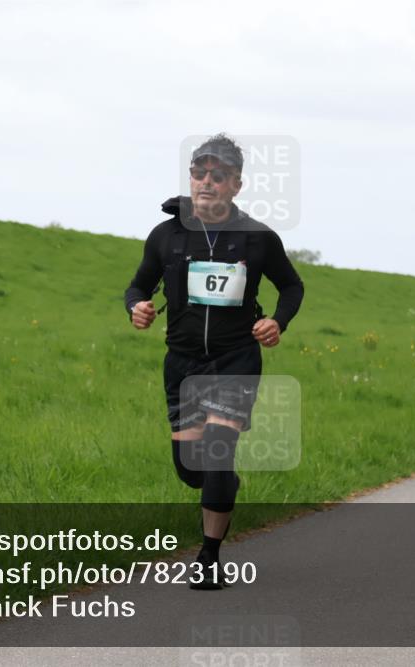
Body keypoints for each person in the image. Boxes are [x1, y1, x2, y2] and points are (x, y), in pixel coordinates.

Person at [124, 134, 304, 589]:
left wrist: (277, 322)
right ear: (191, 178)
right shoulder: (166, 235)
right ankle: (221, 488)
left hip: (235, 360)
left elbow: (292, 286)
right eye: (199, 173)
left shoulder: (259, 238)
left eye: (218, 175)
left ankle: (208, 556)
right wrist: (137, 308)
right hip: (182, 364)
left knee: (217, 455)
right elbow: (137, 286)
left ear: (235, 185)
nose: (207, 182)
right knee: (191, 468)